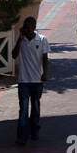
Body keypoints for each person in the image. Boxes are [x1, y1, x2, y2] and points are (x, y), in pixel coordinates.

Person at [11, 16, 49, 146]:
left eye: (28, 27)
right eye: (25, 27)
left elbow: (45, 58)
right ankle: (22, 136)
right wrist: (20, 39)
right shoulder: (20, 39)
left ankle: (34, 130)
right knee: (23, 109)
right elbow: (14, 55)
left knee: (35, 107)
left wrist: (45, 73)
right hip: (24, 80)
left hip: (37, 80)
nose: (26, 29)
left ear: (34, 27)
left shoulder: (42, 39)